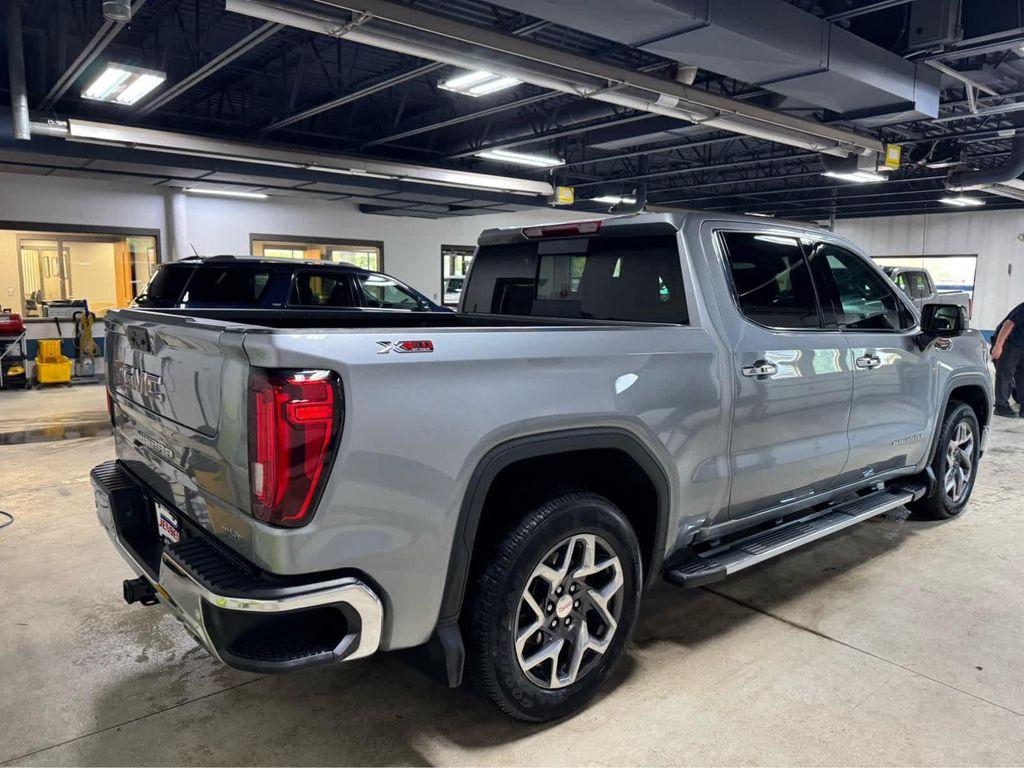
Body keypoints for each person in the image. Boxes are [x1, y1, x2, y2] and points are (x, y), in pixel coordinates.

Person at [991, 301, 1024, 417]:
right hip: (1008, 342)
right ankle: (1001, 406)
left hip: (1021, 344)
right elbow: (1008, 324)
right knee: (1005, 374)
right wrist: (998, 345)